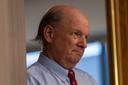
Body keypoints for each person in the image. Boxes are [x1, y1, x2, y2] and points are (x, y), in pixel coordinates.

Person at [27, 5, 96, 85]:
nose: (84, 44)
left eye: (86, 37)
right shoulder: (28, 80)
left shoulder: (89, 81)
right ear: (49, 34)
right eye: (76, 34)